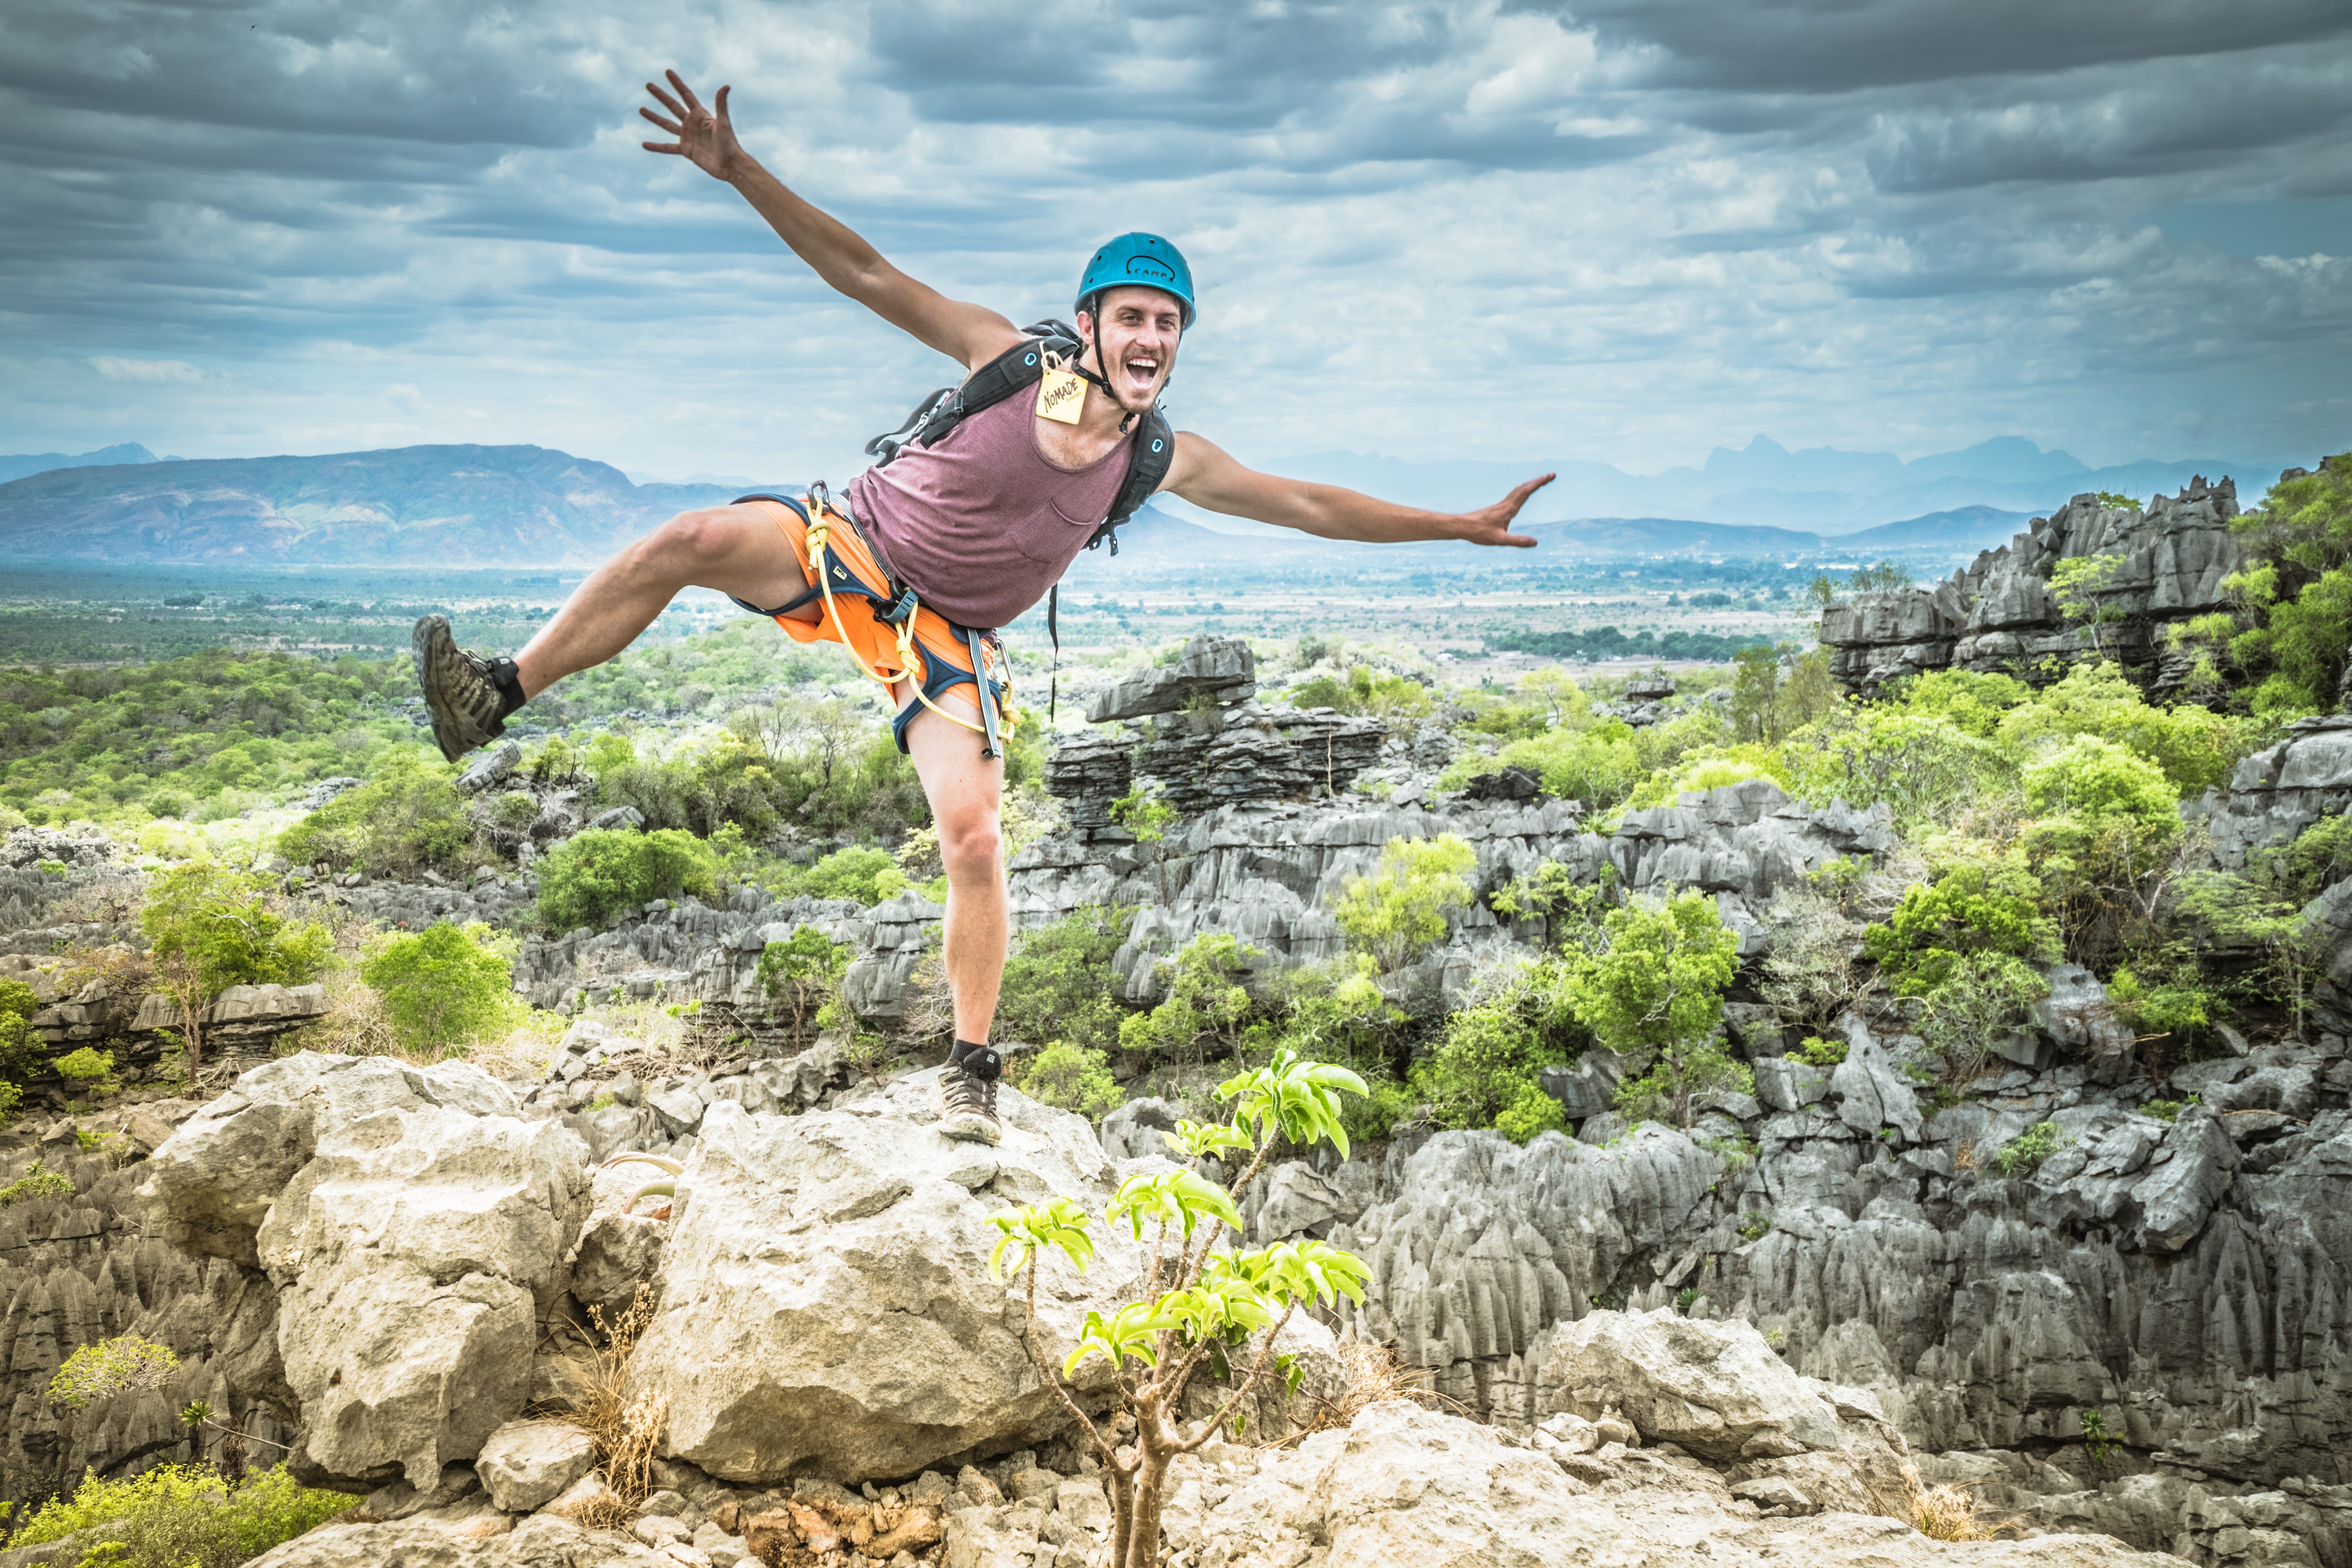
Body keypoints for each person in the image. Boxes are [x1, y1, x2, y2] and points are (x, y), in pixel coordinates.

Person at [413, 70, 1553, 1145]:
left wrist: (1457, 523)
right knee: (692, 538)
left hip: (945, 639)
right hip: (848, 542)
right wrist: (741, 169)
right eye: (1134, 317)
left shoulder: (1160, 455)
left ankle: (971, 1073)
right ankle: (497, 693)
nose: (1151, 338)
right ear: (1091, 322)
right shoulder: (1007, 358)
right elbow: (864, 272)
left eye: (1170, 323)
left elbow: (1308, 503)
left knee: (972, 836)